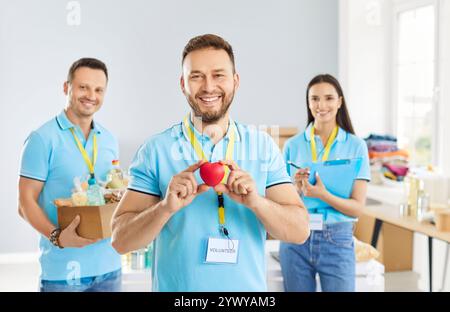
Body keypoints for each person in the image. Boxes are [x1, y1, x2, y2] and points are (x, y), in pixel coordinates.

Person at [111, 34, 310, 292]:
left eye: (218, 75)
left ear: (235, 81)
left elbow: (300, 231)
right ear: (183, 84)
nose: (208, 87)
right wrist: (164, 208)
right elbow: (120, 240)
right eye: (196, 76)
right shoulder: (156, 150)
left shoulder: (263, 147)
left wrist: (256, 202)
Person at [18, 58, 122, 292]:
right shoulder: (41, 139)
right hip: (62, 273)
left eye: (98, 90)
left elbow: (111, 194)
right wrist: (58, 238)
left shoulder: (109, 139)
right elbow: (25, 203)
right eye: (83, 87)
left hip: (109, 266)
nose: (91, 95)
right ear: (66, 88)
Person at [279, 74, 371, 292]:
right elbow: (282, 201)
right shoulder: (292, 145)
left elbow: (357, 206)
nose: (321, 105)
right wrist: (297, 188)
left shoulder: (356, 146)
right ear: (308, 103)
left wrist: (323, 194)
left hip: (337, 238)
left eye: (329, 98)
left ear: (339, 102)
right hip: (296, 237)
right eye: (315, 99)